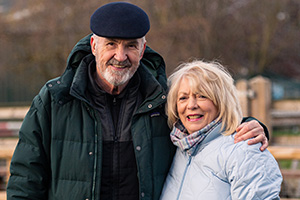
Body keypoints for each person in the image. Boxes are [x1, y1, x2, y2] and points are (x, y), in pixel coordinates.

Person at [7, 2, 269, 200]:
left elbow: (204, 121)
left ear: (142, 49)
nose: (120, 56)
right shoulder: (56, 98)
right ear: (94, 45)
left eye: (131, 46)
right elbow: (26, 176)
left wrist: (250, 125)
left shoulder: (161, 98)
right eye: (111, 44)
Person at [160, 60, 282, 200]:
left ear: (221, 101)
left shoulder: (245, 150)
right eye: (183, 98)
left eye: (202, 96)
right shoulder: (176, 148)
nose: (191, 105)